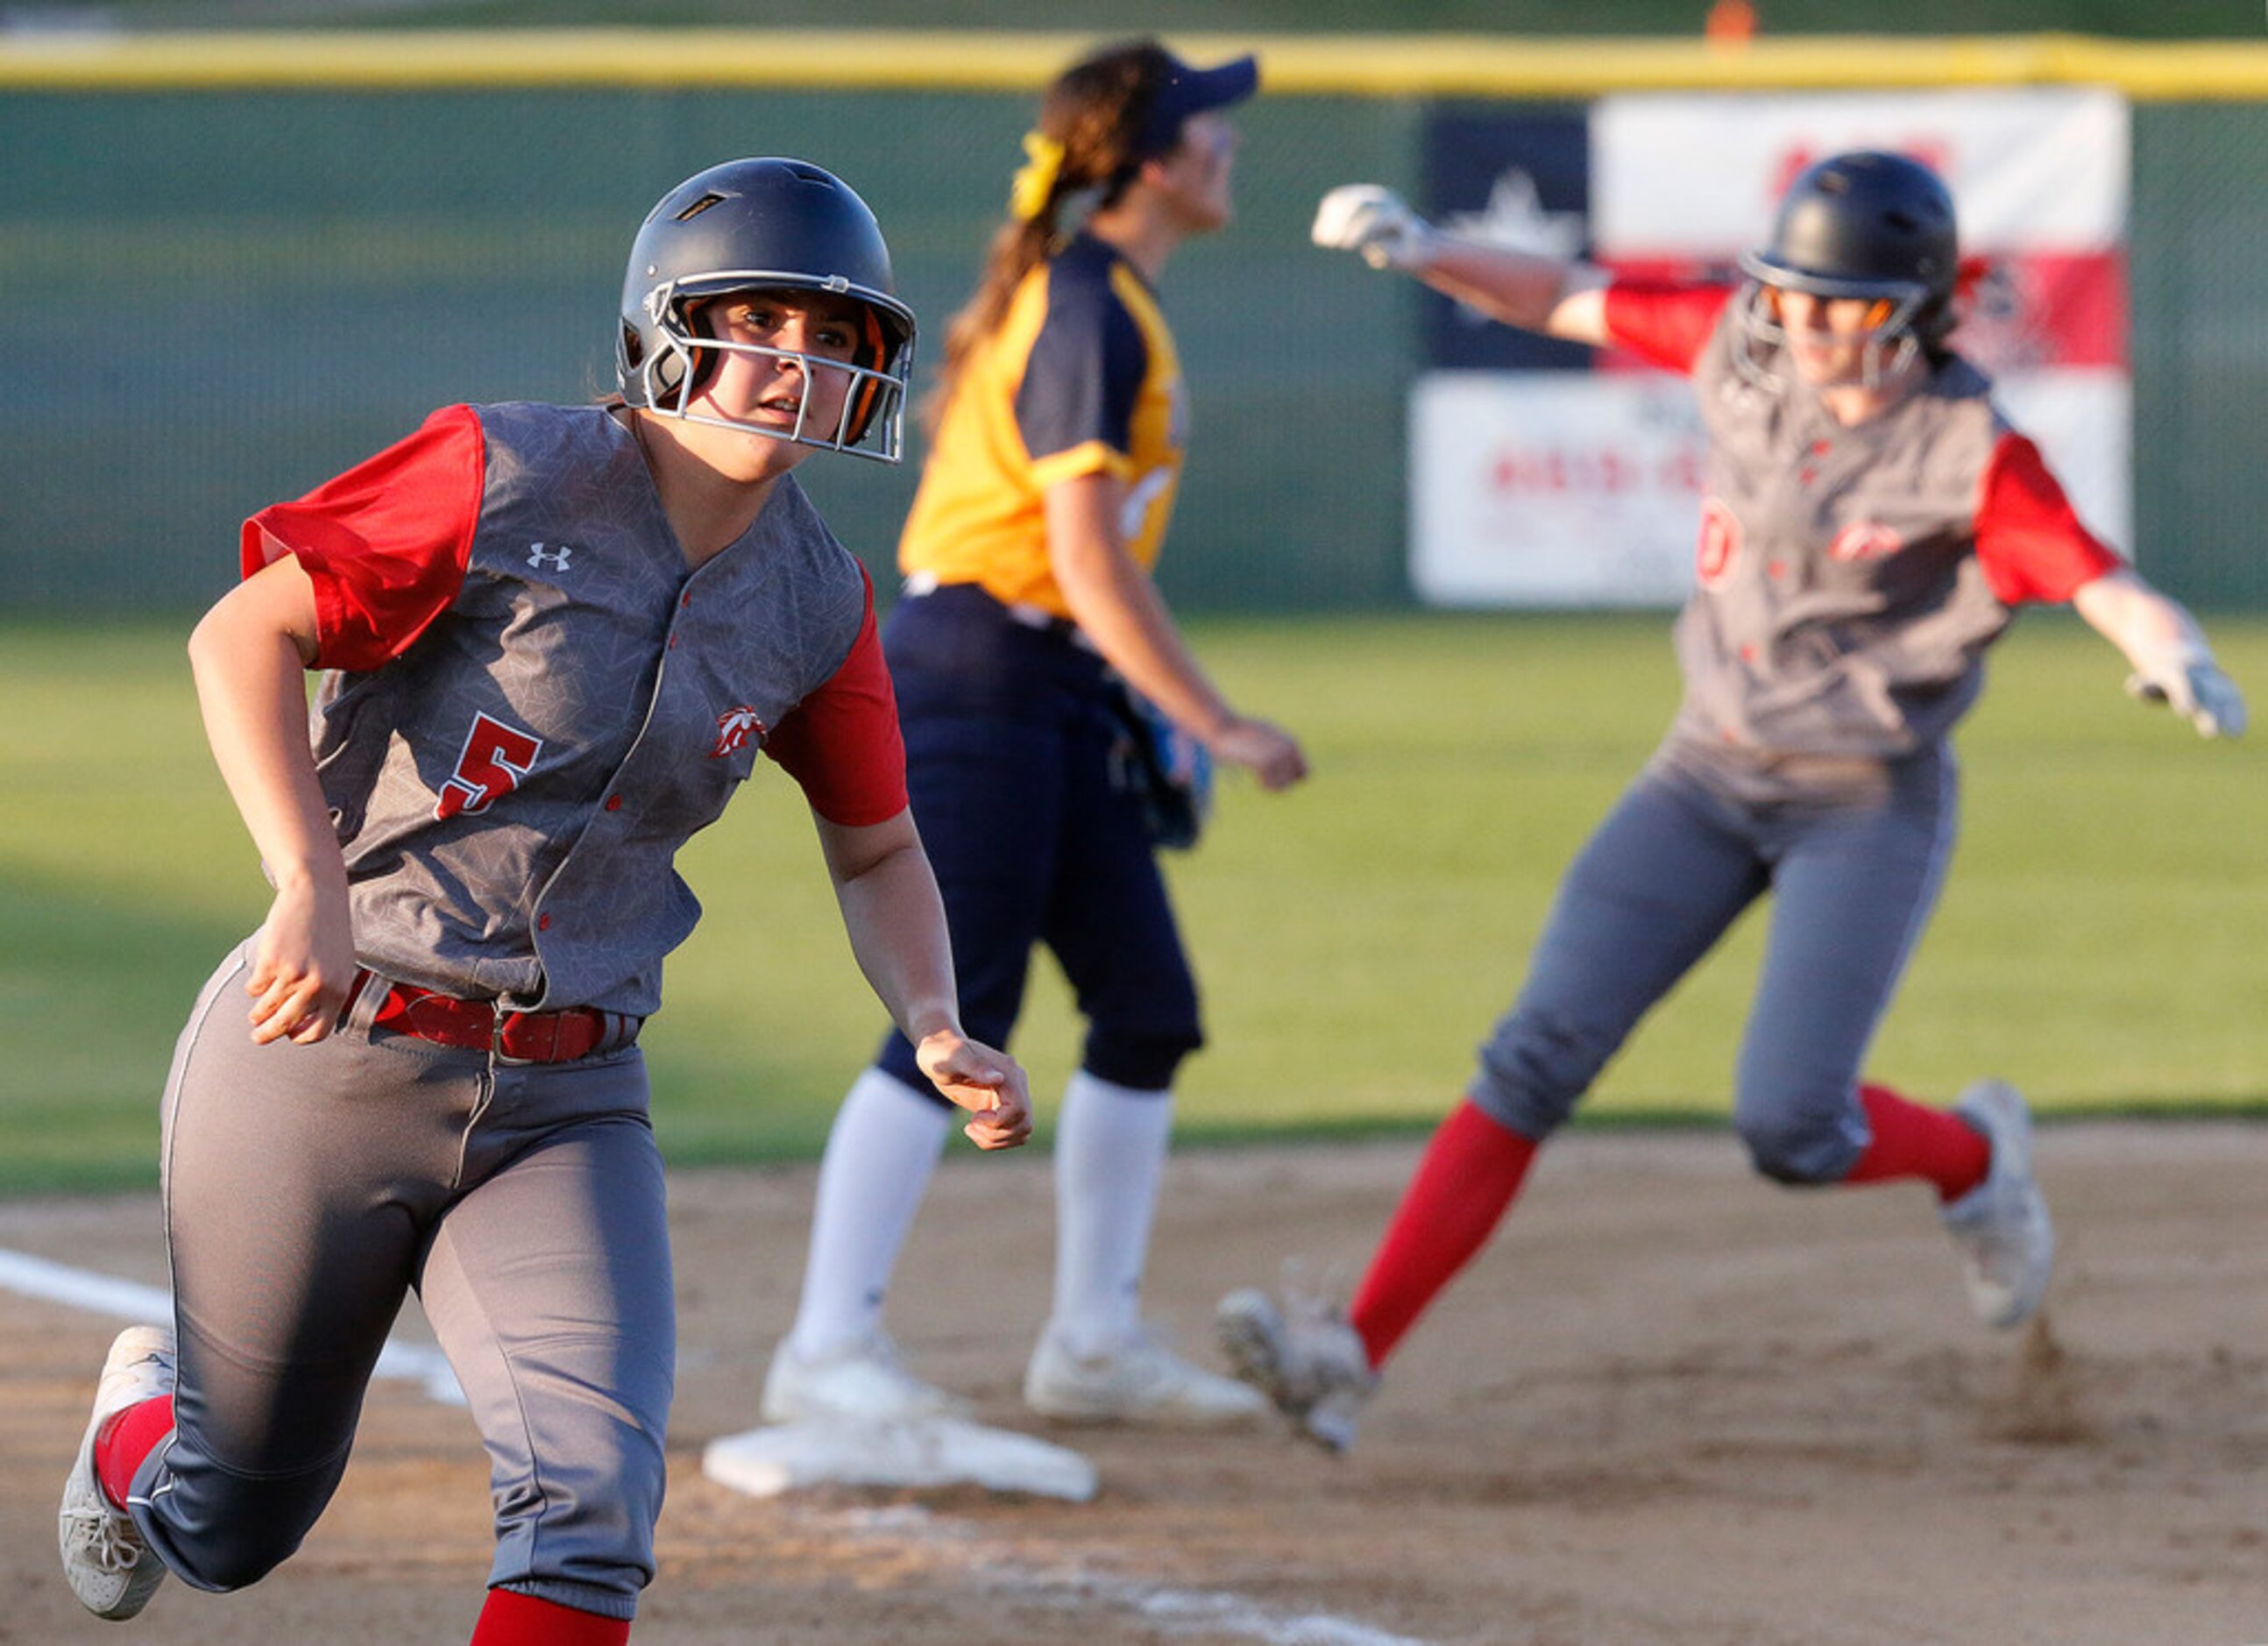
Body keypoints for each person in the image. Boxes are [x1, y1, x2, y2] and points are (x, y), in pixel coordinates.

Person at [56, 156, 1033, 1642]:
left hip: (569, 1099)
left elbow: (880, 847)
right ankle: (141, 1441)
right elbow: (241, 632)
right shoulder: (504, 471)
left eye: (833, 338)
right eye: (755, 318)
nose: (795, 363)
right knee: (228, 1521)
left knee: (588, 1517)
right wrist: (304, 876)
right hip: (328, 1043)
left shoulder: (818, 595)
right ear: (665, 329)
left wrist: (936, 1015)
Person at [1217, 152, 2249, 1452]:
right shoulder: (1745, 351)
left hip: (1861, 799)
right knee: (1533, 1053)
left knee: (1793, 1124)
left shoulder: (1966, 449)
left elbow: (2096, 574)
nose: (1804, 324)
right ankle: (1351, 1353)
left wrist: (2165, 646)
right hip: (1704, 769)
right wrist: (1426, 248)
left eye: (1841, 305)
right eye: (1793, 295)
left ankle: (1979, 1161)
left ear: (1917, 310)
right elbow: (1568, 295)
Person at [759, 39, 1308, 1433]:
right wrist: (1214, 717)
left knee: (1144, 1006)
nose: (1228, 144)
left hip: (1046, 685)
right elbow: (1081, 547)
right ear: (1151, 161)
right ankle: (826, 1348)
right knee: (957, 1010)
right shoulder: (1086, 305)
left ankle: (1094, 1340)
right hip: (980, 677)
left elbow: (1085, 567)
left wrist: (1131, 702)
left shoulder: (1105, 295)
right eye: (1207, 126)